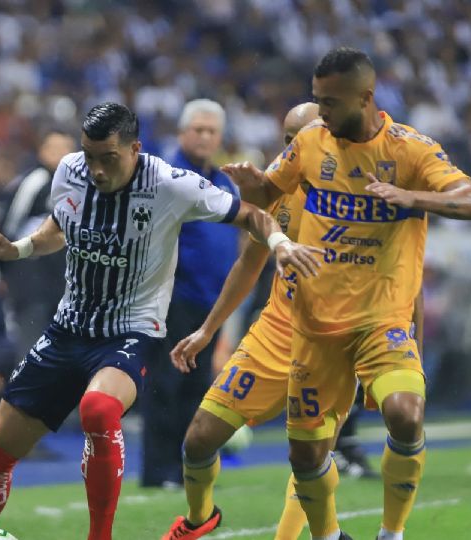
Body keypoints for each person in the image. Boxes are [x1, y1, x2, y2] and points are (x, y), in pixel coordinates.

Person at [0, 102, 320, 540]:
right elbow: (58, 227)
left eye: (107, 158)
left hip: (129, 332)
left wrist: (280, 242)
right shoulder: (70, 169)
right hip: (67, 329)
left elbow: (254, 215)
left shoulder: (171, 184)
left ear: (135, 148)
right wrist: (16, 249)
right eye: (89, 155)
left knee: (98, 409)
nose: (94, 169)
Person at [223, 48, 471, 540]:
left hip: (381, 320)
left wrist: (412, 198)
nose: (321, 111)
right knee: (305, 454)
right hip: (318, 327)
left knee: (406, 417)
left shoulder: (412, 150)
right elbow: (266, 198)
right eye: (318, 100)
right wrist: (253, 186)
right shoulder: (309, 141)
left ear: (365, 98)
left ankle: (392, 533)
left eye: (331, 102)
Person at [160, 102, 346, 540]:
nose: (292, 151)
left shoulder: (357, 196)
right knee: (199, 438)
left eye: (301, 139)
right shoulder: (275, 191)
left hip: (335, 341)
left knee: (311, 457)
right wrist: (209, 329)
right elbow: (248, 264)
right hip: (275, 333)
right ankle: (197, 518)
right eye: (286, 141)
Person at [142, 99, 241, 488]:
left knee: (197, 390)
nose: (203, 136)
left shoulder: (224, 180)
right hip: (172, 298)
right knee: (165, 385)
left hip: (211, 302)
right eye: (197, 129)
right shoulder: (165, 175)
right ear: (182, 133)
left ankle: (184, 469)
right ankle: (157, 472)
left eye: (211, 131)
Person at [0, 130, 76, 351]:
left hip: (65, 287)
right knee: (30, 351)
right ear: (42, 151)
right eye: (55, 149)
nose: (61, 155)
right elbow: (7, 229)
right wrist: (6, 273)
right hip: (32, 285)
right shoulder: (34, 182)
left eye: (66, 149)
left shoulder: (79, 188)